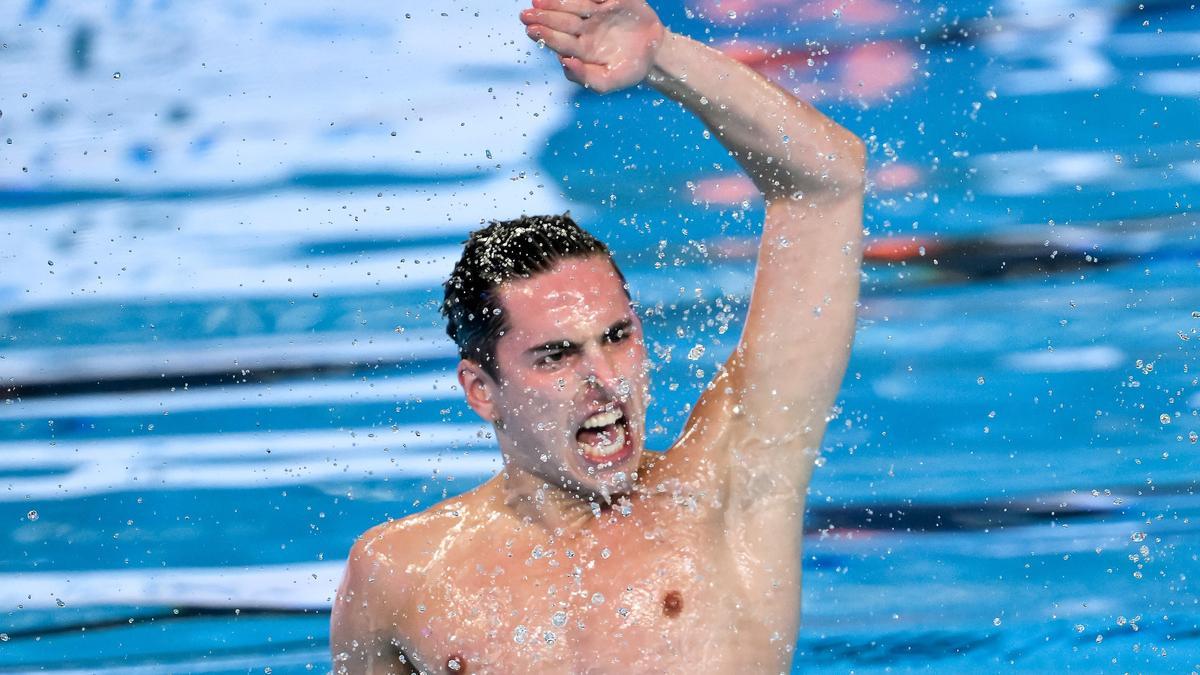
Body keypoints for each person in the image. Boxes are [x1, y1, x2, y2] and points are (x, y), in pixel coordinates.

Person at [331, 0, 864, 671]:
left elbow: (826, 183)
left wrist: (665, 56)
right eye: (556, 354)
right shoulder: (400, 576)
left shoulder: (732, 489)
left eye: (616, 336)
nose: (603, 376)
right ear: (480, 388)